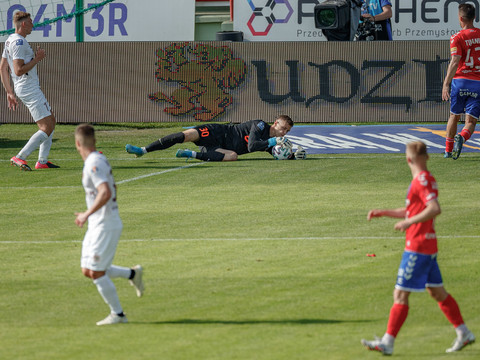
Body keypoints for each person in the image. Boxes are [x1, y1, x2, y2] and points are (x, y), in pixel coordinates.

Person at [361, 141, 475, 355]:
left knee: (400, 294)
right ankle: (464, 332)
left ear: (408, 159)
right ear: (427, 157)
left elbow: (434, 209)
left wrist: (409, 223)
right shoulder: (426, 179)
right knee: (437, 292)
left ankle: (387, 342)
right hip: (428, 244)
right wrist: (383, 212)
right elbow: (414, 209)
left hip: (418, 245)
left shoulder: (420, 181)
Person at [75, 124, 144, 326]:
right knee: (87, 270)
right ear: (94, 141)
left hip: (105, 224)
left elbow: (104, 192)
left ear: (78, 144)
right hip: (98, 223)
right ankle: (132, 274)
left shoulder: (93, 163)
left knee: (96, 272)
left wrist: (86, 214)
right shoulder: (96, 159)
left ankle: (119, 315)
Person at [0, 11, 59, 171]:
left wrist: (9, 92)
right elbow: (18, 70)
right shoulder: (18, 43)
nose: (33, 25)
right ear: (24, 24)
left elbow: (3, 68)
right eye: (31, 22)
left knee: (51, 121)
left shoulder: (10, 40)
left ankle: (42, 161)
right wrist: (37, 59)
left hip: (26, 87)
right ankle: (20, 157)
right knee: (45, 127)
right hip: (28, 88)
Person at [125, 115, 306, 161]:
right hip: (218, 132)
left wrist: (293, 156)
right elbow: (252, 146)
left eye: (287, 132)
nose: (284, 133)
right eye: (283, 129)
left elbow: (276, 154)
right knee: (185, 135)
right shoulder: (259, 125)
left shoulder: (267, 144)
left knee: (232, 156)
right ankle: (143, 150)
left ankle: (192, 155)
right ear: (275, 123)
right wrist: (273, 142)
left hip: (221, 148)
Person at [442, 3, 480, 160]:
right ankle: (462, 138)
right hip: (477, 82)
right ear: (474, 17)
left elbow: (455, 60)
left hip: (460, 81)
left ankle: (448, 150)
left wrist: (446, 83)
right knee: (471, 121)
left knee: (454, 116)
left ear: (460, 18)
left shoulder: (456, 37)